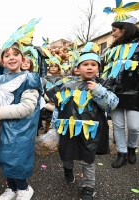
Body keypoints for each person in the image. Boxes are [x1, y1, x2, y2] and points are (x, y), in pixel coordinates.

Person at [48, 42, 119, 200]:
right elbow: (59, 107)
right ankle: (68, 168)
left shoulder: (102, 86)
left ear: (98, 68)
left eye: (93, 64)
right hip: (68, 128)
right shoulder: (67, 86)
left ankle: (88, 187)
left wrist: (97, 90)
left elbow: (112, 105)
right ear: (77, 68)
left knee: (88, 158)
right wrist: (53, 127)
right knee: (66, 153)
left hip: (90, 130)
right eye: (85, 64)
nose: (89, 67)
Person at [0, 38, 42, 200]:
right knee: (5, 159)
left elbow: (27, 107)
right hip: (1, 127)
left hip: (21, 129)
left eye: (16, 54)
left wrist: (0, 111)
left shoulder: (30, 79)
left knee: (17, 160)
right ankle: (11, 188)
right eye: (7, 55)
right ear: (2, 61)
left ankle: (24, 189)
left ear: (23, 59)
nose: (11, 57)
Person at [102, 2, 139, 168]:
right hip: (115, 93)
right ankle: (121, 153)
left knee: (134, 126)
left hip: (135, 93)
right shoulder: (110, 50)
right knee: (117, 125)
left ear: (125, 29)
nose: (112, 33)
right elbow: (105, 71)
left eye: (114, 30)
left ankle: (132, 148)